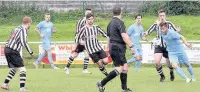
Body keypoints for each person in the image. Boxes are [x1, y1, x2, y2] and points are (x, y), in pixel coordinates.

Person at [97, 6, 135, 92]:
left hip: (113, 47)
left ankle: (124, 89)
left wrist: (108, 49)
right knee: (120, 68)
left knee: (125, 67)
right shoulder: (120, 22)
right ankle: (101, 83)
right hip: (118, 48)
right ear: (121, 13)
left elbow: (109, 38)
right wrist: (132, 47)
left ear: (113, 13)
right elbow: (124, 36)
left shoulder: (110, 23)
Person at [144, 9, 181, 82]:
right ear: (158, 16)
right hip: (158, 46)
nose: (162, 17)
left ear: (165, 16)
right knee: (157, 62)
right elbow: (147, 32)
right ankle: (162, 76)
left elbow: (176, 31)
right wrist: (144, 36)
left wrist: (178, 31)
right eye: (160, 16)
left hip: (168, 46)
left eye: (163, 15)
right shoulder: (155, 25)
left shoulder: (169, 24)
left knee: (169, 64)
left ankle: (171, 72)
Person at [1, 16, 33, 92]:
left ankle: (5, 84)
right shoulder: (23, 30)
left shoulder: (17, 28)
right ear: (28, 23)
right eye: (30, 23)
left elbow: (10, 38)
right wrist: (30, 51)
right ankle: (22, 89)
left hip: (7, 49)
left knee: (15, 68)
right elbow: (24, 42)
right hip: (13, 51)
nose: (30, 25)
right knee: (23, 69)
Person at [64, 8, 92, 74]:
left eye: (90, 13)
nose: (88, 14)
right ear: (85, 13)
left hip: (86, 41)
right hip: (80, 41)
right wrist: (77, 42)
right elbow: (77, 32)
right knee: (75, 54)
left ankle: (84, 70)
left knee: (87, 54)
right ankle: (67, 67)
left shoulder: (90, 21)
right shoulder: (81, 21)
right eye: (87, 12)